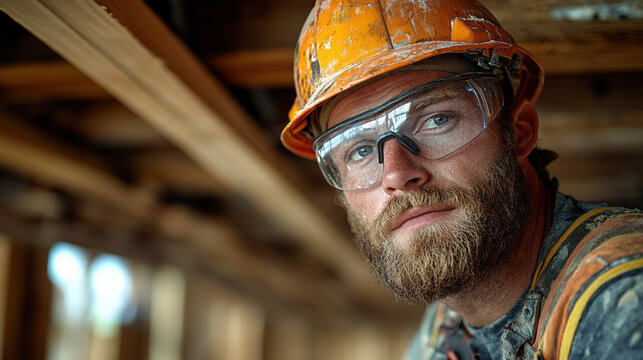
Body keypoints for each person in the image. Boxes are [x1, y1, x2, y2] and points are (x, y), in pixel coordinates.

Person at [280, 1, 643, 359]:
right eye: (359, 151)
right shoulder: (446, 329)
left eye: (436, 119)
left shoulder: (624, 305)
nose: (396, 174)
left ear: (519, 132)